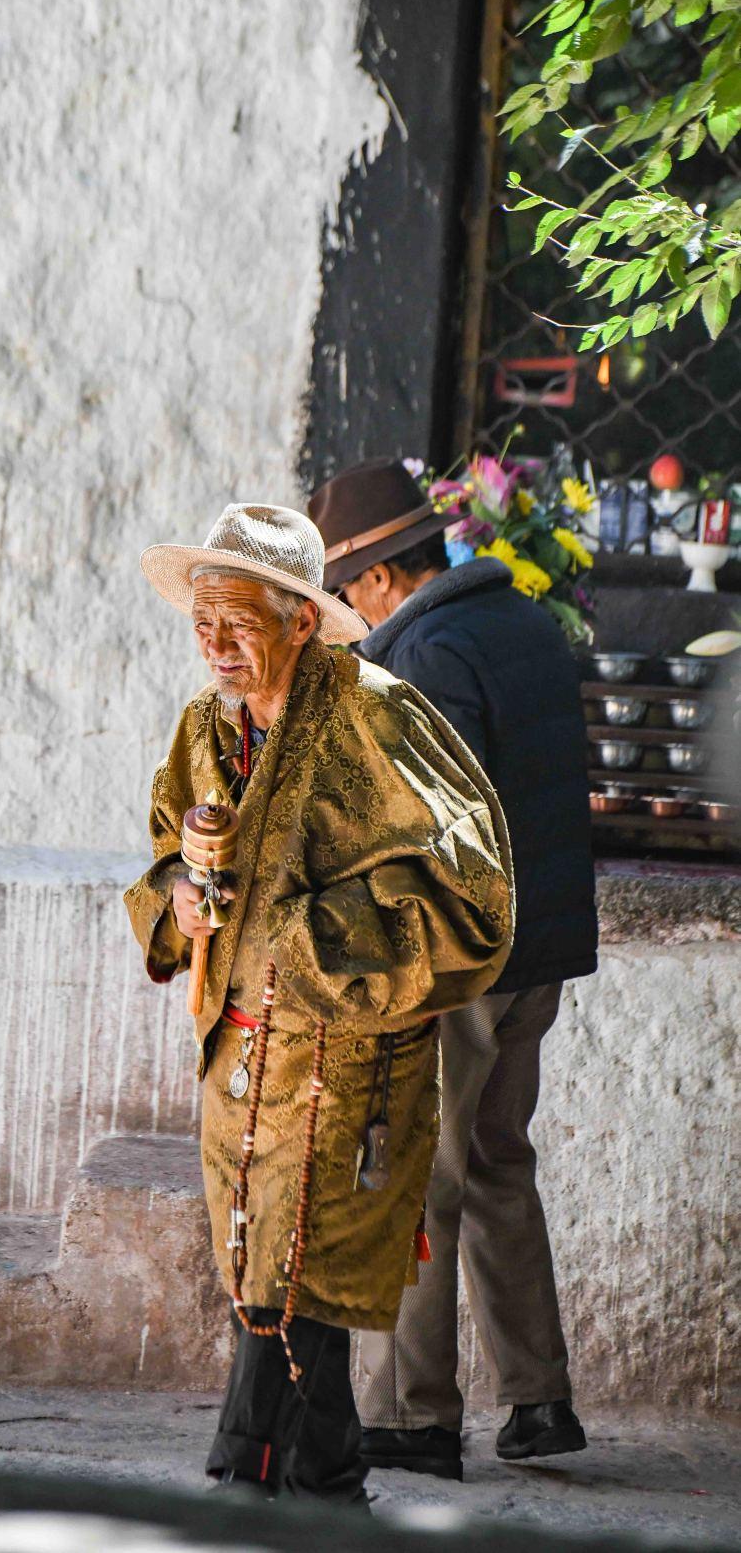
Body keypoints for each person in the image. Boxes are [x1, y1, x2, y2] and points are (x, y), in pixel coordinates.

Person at [125, 502, 515, 1505]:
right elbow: (168, 860)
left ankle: (251, 1473)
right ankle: (315, 1480)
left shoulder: (377, 715)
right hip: (238, 1066)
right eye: (200, 619)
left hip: (345, 1070)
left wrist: (299, 935)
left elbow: (475, 891)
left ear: (303, 618)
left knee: (295, 1284)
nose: (213, 644)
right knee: (267, 1281)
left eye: (238, 617)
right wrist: (183, 890)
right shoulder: (205, 729)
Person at [309, 459, 598, 1480]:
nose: (344, 615)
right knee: (497, 1167)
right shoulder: (521, 621)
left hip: (461, 962)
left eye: (344, 595)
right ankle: (539, 1399)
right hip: (541, 952)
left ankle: (410, 1415)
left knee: (410, 1176)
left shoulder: (422, 653)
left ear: (383, 577)